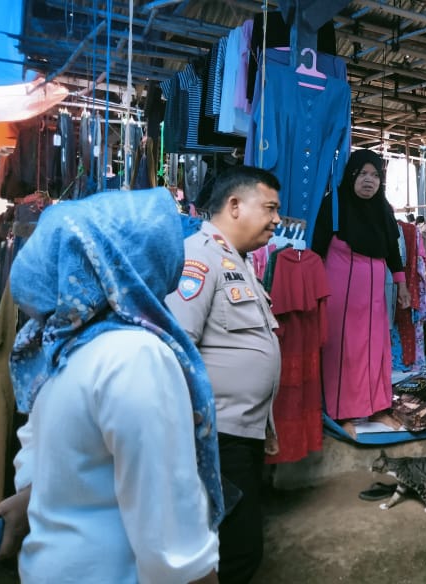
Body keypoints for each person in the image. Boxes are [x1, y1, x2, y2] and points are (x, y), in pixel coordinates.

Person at [0, 189, 222, 582]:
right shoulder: (133, 356)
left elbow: (73, 460)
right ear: (130, 263)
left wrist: (30, 499)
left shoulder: (61, 349)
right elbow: (173, 549)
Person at [166, 166, 283, 584]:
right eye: (269, 207)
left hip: (240, 433)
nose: (276, 220)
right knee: (237, 550)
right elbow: (176, 353)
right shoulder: (200, 257)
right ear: (235, 205)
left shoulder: (238, 261)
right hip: (216, 436)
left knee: (235, 543)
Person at [312, 149, 411, 423]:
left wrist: (401, 285)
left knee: (375, 348)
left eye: (375, 175)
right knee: (343, 350)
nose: (369, 181)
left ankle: (376, 407)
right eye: (363, 174)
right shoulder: (334, 205)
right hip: (341, 294)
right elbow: (317, 249)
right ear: (351, 175)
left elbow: (392, 249)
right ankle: (341, 412)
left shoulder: (383, 209)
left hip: (375, 295)